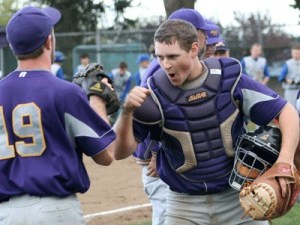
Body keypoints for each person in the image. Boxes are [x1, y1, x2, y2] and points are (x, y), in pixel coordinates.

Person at [113, 19, 299, 225]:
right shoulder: (153, 93)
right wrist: (126, 112)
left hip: (239, 198)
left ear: (194, 49)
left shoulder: (229, 79)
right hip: (183, 204)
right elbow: (120, 152)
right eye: (160, 57)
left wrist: (284, 160)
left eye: (173, 56)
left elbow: (286, 111)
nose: (165, 64)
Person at [0, 6, 116, 225]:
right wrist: (98, 100)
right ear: (48, 42)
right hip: (55, 210)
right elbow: (106, 154)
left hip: (5, 213)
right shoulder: (64, 92)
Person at [132, 9, 216, 225]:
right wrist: (156, 151)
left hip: (165, 156)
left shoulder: (178, 66)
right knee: (166, 215)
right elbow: (150, 113)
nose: (206, 38)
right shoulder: (159, 72)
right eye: (202, 32)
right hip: (158, 158)